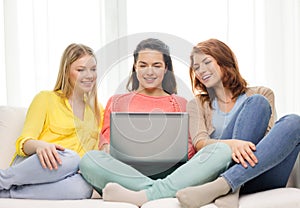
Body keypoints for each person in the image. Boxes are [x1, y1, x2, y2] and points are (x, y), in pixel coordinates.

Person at [79, 38, 232, 206]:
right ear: (135, 67)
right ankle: (162, 191)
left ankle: (144, 194)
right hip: (127, 173)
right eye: (143, 65)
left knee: (221, 150)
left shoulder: (182, 103)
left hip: (174, 172)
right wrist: (111, 149)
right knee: (89, 159)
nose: (149, 72)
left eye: (156, 65)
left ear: (166, 68)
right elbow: (105, 145)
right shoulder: (116, 101)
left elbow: (191, 151)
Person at [175, 38, 300, 208]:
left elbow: (267, 142)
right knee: (258, 102)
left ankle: (226, 186)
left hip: (258, 171)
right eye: (196, 67)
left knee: (293, 121)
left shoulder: (262, 93)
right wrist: (232, 144)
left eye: (206, 62)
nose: (201, 70)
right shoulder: (197, 104)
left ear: (224, 60)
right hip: (220, 168)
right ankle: (230, 183)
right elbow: (200, 143)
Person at [0, 43, 104, 199]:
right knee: (71, 157)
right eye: (81, 70)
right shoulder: (46, 99)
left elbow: (96, 154)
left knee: (84, 187)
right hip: (37, 164)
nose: (89, 75)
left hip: (68, 174)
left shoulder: (98, 111)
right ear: (66, 72)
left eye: (93, 69)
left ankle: (8, 194)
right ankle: (3, 180)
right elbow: (24, 143)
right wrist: (40, 146)